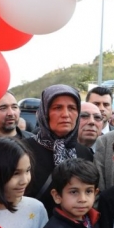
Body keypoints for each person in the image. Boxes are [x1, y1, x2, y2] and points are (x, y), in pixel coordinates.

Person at [24, 84, 93, 216]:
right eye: (57, 108)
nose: (65, 114)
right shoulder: (24, 151)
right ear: (44, 113)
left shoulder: (85, 153)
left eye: (72, 108)